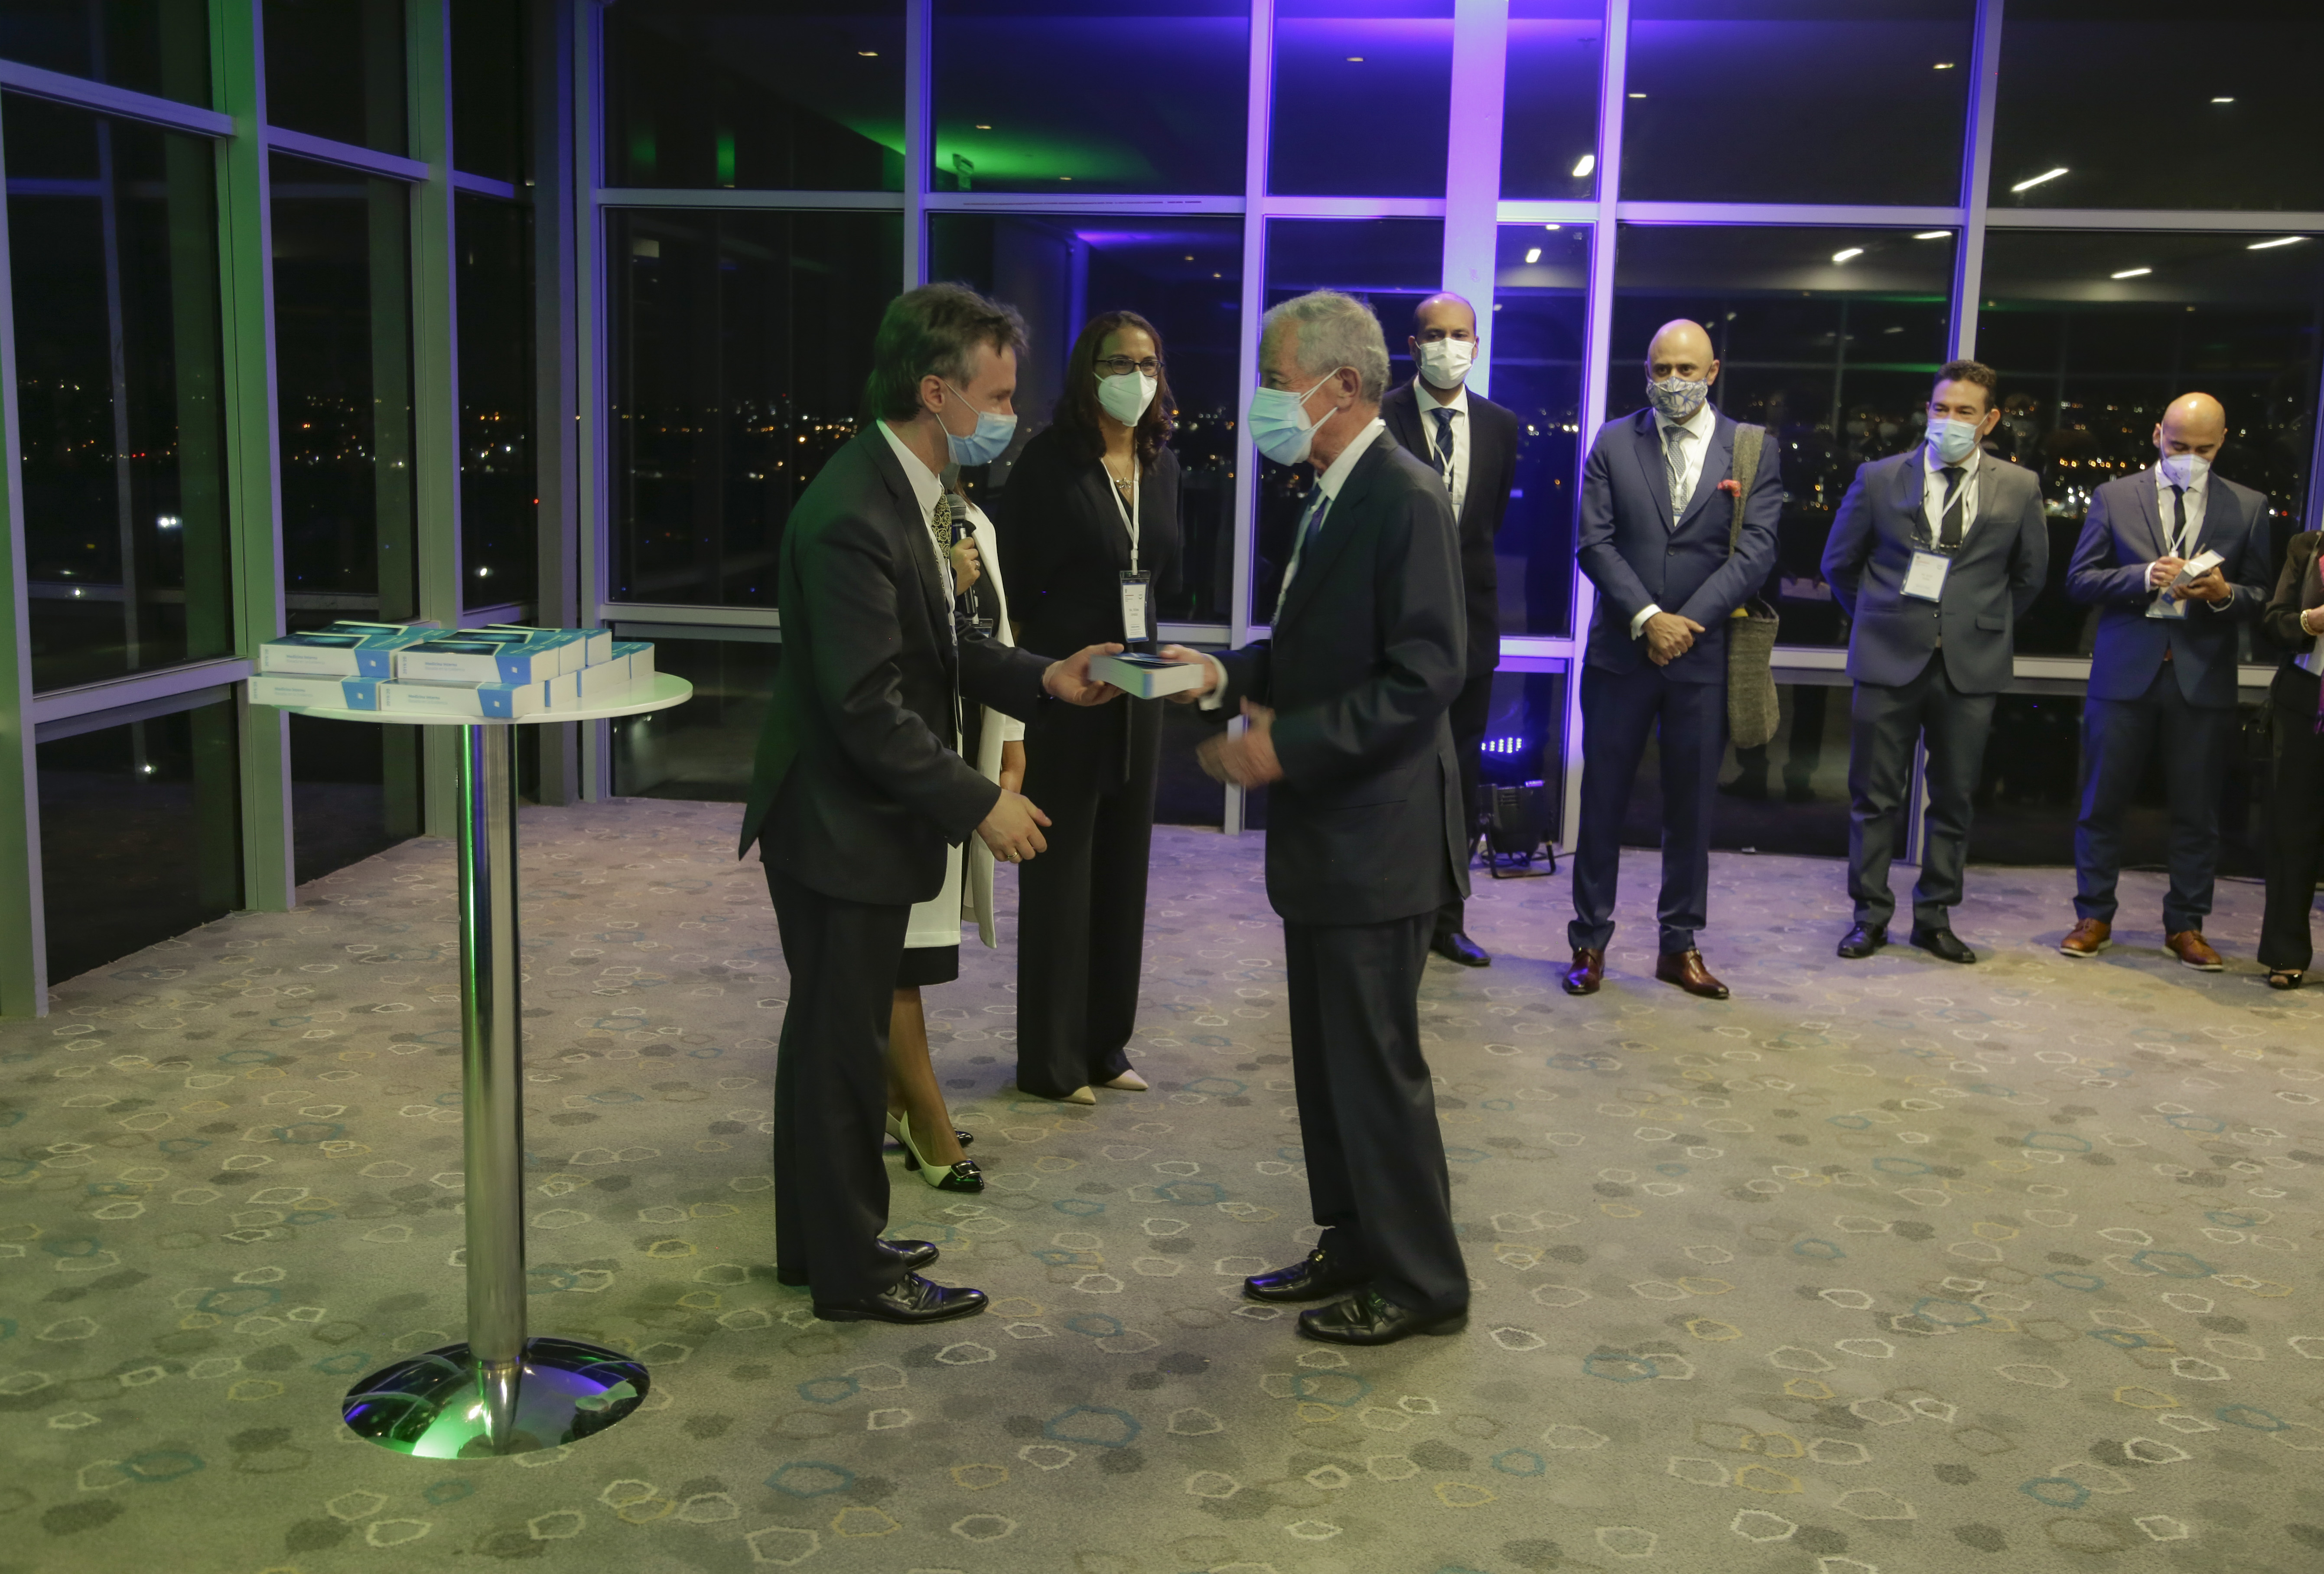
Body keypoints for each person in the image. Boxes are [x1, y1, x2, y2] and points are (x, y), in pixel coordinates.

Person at [737, 283, 1123, 1325]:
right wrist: (979, 804)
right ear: (935, 391)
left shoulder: (904, 484)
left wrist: (1048, 679)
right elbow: (867, 705)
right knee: (841, 1052)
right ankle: (852, 1272)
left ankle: (820, 1245)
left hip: (854, 815)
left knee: (832, 1041)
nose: (1011, 417)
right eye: (996, 397)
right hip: (835, 821)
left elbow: (943, 647)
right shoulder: (854, 512)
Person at [1158, 290, 1470, 1347]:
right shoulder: (1333, 491)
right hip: (1332, 838)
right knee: (1329, 1063)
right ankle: (1354, 1238)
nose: (1261, 401)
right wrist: (1222, 673)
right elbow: (1313, 651)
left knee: (1374, 1069)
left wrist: (1286, 745)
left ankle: (1423, 1281)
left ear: (1341, 385)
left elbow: (1425, 676)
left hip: (1378, 838)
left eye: (1273, 380)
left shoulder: (1404, 496)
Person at [1564, 319, 1781, 1001]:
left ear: (1712, 373)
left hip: (1702, 655)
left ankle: (1678, 944)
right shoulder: (1611, 440)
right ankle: (1588, 942)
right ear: (1646, 372)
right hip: (1620, 652)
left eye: (1687, 369)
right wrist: (1648, 618)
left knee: (1690, 809)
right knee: (1601, 802)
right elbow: (1594, 541)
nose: (1673, 381)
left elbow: (1756, 551)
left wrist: (1687, 624)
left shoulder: (1749, 449)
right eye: (1662, 369)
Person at [998, 312, 1182, 1105]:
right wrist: (1030, 689)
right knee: (1062, 873)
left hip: (1139, 688)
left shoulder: (1162, 464)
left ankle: (1105, 1046)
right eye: (1117, 363)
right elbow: (1013, 587)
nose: (1134, 377)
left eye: (1147, 363)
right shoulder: (1050, 463)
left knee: (1122, 871)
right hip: (1067, 686)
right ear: (1088, 371)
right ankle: (1052, 1060)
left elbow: (1163, 571)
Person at [1822, 360, 2047, 965]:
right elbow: (1839, 564)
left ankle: (1934, 917)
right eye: (1941, 408)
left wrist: (1974, 621)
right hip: (1887, 654)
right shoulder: (1877, 478)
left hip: (1969, 663)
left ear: (1988, 420)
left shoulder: (2019, 486)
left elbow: (2029, 577)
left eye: (1964, 412)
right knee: (1873, 797)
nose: (1949, 420)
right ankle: (1868, 916)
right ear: (1928, 411)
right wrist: (1879, 615)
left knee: (1954, 798)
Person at [2060, 393, 2272, 967]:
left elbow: (2260, 595)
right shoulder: (2114, 496)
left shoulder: (2248, 506)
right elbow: (2079, 580)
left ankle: (2186, 925)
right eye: (2178, 446)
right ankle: (2093, 914)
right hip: (2124, 671)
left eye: (2203, 449)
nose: (2189, 458)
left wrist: (2224, 594)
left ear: (2222, 442)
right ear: (2157, 435)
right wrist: (2142, 576)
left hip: (2201, 675)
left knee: (2197, 810)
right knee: (2101, 801)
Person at [882, 473, 1028, 1190]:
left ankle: (894, 1096)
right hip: (899, 759)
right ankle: (924, 1117)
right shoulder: (883, 514)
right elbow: (892, 645)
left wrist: (1013, 738)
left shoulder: (967, 516)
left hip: (960, 747)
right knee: (899, 950)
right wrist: (943, 578)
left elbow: (991, 631)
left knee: (919, 944)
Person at [1381, 292, 1518, 968]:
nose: (1447, 346)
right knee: (1393, 767)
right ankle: (1388, 910)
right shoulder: (1380, 416)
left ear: (1476, 344)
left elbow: (1486, 524)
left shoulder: (1500, 425)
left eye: (1459, 334)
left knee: (1459, 775)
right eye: (1434, 334)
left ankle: (1446, 918)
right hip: (1394, 625)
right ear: (1412, 346)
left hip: (1472, 627)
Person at [2258, 525, 2324, 989]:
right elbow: (2274, 620)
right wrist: (2308, 622)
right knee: (2292, 830)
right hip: (2304, 701)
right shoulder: (2308, 546)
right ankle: (2286, 952)